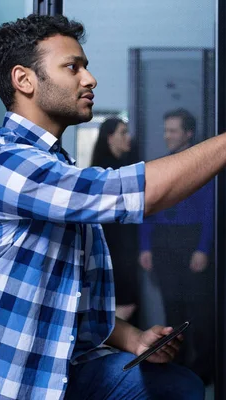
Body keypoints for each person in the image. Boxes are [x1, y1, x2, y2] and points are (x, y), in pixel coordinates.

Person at [0, 14, 226, 400]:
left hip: (53, 375)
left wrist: (134, 338)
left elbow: (71, 301)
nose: (89, 79)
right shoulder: (3, 159)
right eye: (72, 67)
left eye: (86, 67)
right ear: (24, 80)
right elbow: (138, 192)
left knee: (176, 387)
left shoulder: (58, 169)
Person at [138, 109, 215, 384]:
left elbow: (210, 211)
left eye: (173, 130)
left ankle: (203, 370)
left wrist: (203, 249)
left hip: (192, 241)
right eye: (166, 130)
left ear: (188, 133)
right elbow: (150, 206)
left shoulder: (201, 165)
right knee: (172, 308)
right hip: (164, 241)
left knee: (199, 310)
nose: (167, 135)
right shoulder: (163, 164)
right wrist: (145, 247)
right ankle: (177, 368)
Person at [90, 118, 140, 322]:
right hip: (113, 250)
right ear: (109, 137)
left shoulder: (126, 166)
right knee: (123, 305)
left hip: (125, 249)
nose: (128, 137)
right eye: (123, 132)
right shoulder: (103, 171)